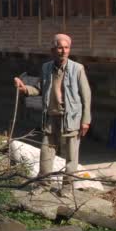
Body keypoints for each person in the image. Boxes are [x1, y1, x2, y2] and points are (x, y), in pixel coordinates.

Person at [14, 34, 91, 195]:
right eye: (60, 47)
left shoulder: (77, 69)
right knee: (46, 151)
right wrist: (24, 89)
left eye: (67, 47)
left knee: (71, 155)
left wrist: (86, 120)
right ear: (53, 50)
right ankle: (44, 184)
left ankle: (67, 187)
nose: (63, 51)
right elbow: (40, 88)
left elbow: (86, 96)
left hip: (71, 118)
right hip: (51, 116)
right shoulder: (46, 68)